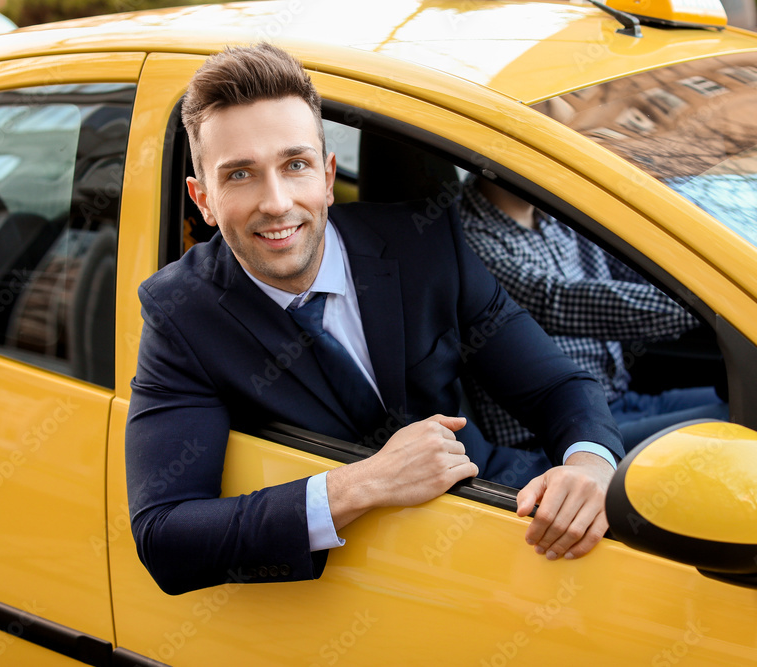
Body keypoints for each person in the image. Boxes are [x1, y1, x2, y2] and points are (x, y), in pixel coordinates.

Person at [125, 43, 625, 596]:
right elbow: (165, 539)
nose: (276, 202)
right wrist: (363, 484)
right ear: (204, 200)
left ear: (327, 173)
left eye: (295, 165)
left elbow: (557, 385)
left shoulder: (426, 246)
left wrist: (589, 464)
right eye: (240, 175)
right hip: (360, 588)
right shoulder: (182, 315)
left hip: (506, 514)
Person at [459, 175, 728, 452]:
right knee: (733, 425)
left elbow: (635, 270)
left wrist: (717, 282)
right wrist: (702, 306)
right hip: (562, 432)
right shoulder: (468, 238)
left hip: (622, 402)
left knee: (751, 403)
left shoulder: (560, 215)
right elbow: (555, 300)